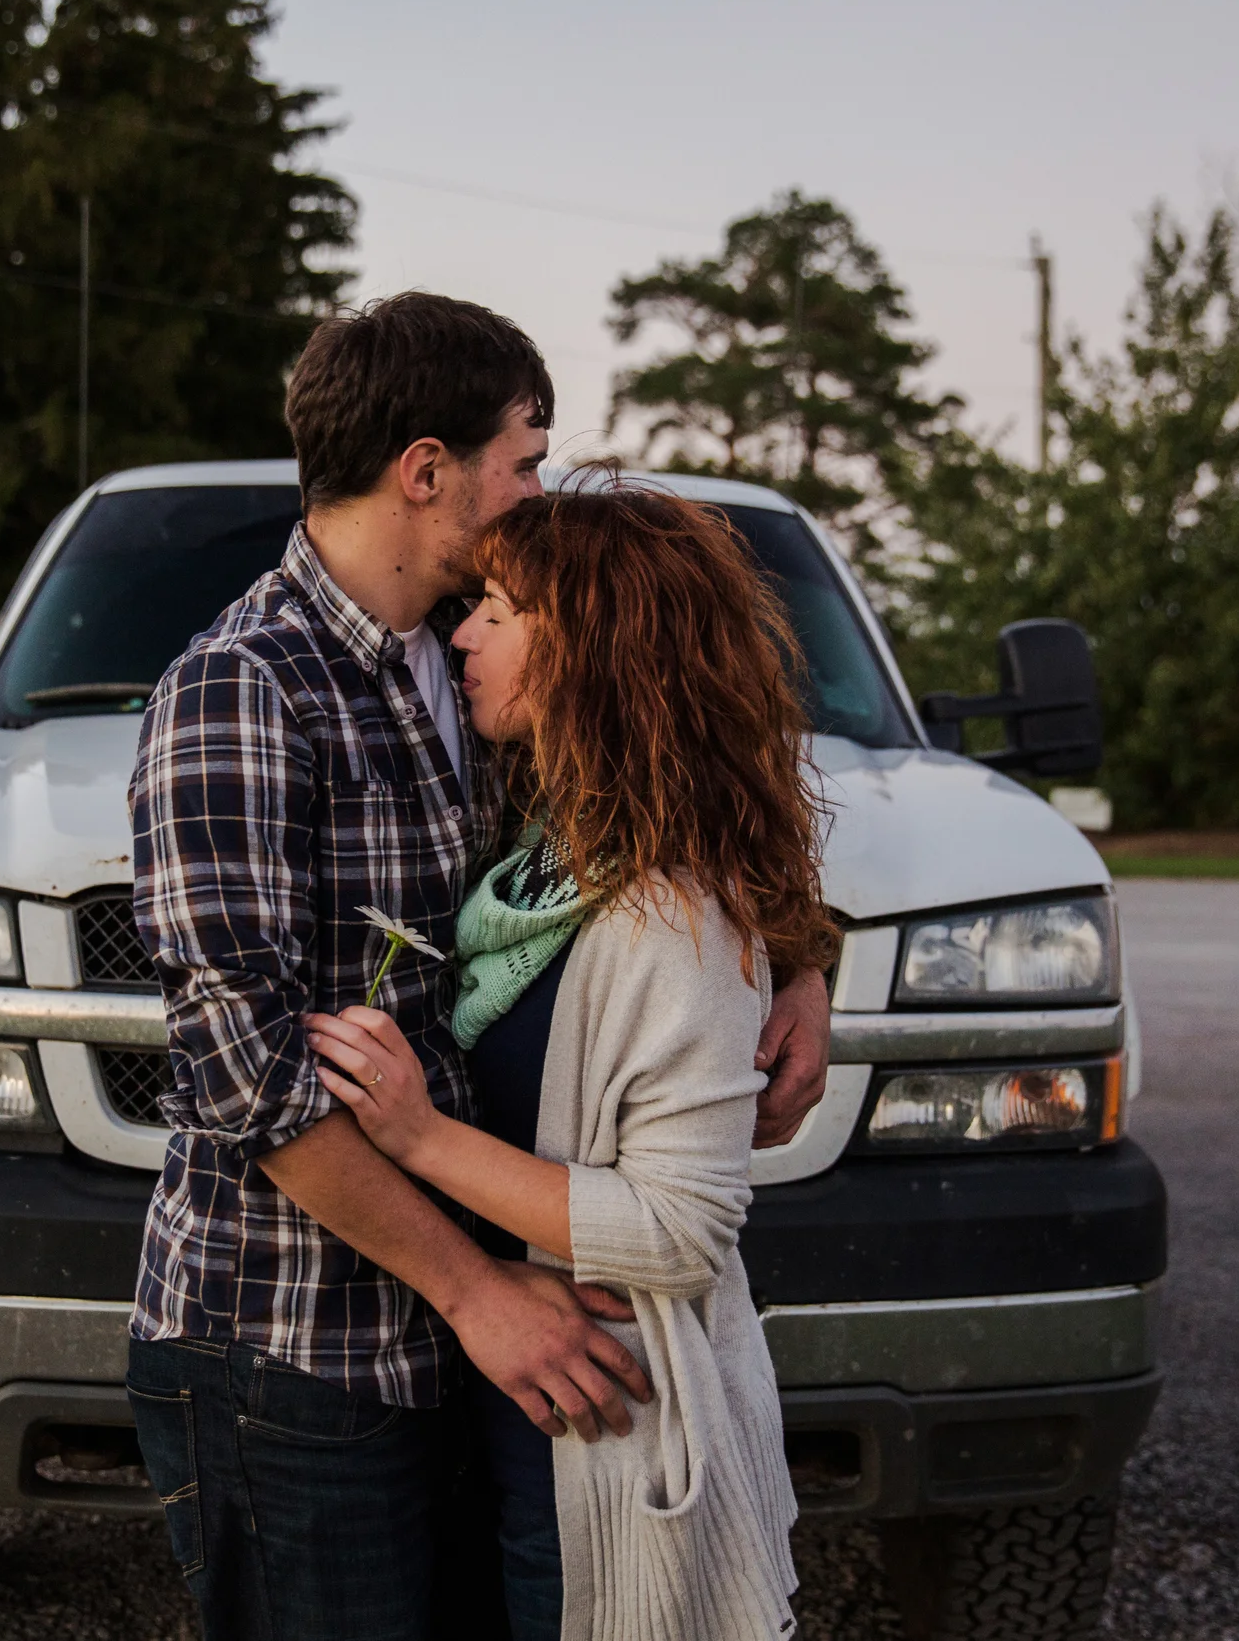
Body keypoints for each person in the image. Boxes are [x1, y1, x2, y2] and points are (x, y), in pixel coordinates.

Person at [126, 292, 831, 1641]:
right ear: (428, 468)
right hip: (296, 1341)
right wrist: (479, 1292)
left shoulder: (464, 660)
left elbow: (666, 775)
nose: (536, 490)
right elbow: (241, 1074)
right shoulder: (243, 685)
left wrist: (797, 958)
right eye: (525, 458)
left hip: (472, 1339)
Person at [303, 480, 837, 1640]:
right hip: (496, 1410)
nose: (462, 634)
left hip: (599, 1436)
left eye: (499, 608)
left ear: (592, 647)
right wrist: (810, 957)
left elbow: (682, 1228)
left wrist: (414, 1131)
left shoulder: (667, 912)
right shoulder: (536, 847)